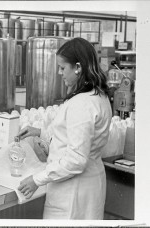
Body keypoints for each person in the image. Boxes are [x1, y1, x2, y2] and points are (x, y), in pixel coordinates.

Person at [17, 37, 112, 220]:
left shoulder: (81, 104)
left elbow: (76, 160)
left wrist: (36, 179)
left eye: (63, 68)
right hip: (89, 185)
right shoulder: (98, 96)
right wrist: (41, 132)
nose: (60, 73)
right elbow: (75, 137)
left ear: (78, 67)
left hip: (73, 193)